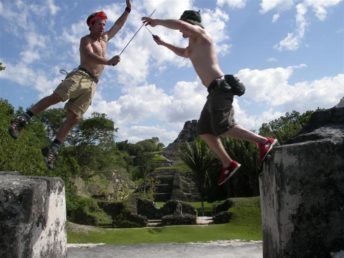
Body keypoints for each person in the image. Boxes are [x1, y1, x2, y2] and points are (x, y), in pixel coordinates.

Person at [142, 10, 277, 186]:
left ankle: (264, 141)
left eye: (184, 26)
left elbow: (181, 26)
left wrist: (156, 22)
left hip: (221, 88)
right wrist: (163, 43)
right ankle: (228, 163)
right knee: (204, 130)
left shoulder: (201, 35)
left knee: (223, 127)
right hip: (213, 92)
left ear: (191, 24)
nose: (181, 32)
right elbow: (184, 53)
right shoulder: (193, 44)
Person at [8, 0, 132, 169]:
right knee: (57, 97)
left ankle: (53, 147)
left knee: (75, 117)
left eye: (104, 24)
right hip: (81, 75)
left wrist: (127, 10)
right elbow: (89, 56)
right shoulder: (85, 40)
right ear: (91, 25)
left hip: (93, 84)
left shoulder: (105, 39)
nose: (103, 27)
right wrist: (108, 61)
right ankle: (21, 120)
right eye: (99, 24)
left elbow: (118, 25)